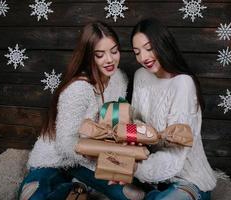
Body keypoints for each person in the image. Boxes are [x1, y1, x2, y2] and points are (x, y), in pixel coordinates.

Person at [18, 21, 128, 200]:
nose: (110, 59)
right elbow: (65, 144)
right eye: (100, 55)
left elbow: (117, 118)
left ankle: (78, 185)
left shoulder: (120, 78)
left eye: (114, 51)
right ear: (88, 57)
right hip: (56, 160)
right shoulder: (78, 88)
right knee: (32, 196)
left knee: (131, 195)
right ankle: (73, 187)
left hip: (92, 159)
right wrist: (101, 158)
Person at [130, 18, 217, 200]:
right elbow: (134, 123)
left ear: (163, 44)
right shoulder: (141, 75)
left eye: (148, 48)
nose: (143, 58)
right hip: (149, 178)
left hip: (186, 180)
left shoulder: (183, 84)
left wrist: (135, 168)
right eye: (137, 52)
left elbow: (176, 155)